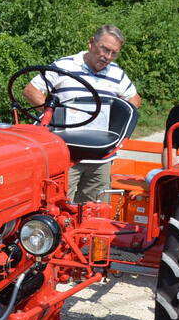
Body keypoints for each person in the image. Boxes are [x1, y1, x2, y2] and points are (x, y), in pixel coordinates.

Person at [22, 24, 141, 202]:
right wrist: (55, 116)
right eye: (105, 49)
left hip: (100, 158)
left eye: (113, 53)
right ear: (92, 43)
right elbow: (31, 90)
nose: (107, 57)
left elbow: (134, 99)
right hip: (64, 155)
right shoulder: (64, 66)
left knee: (95, 213)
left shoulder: (116, 73)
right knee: (55, 208)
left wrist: (117, 126)